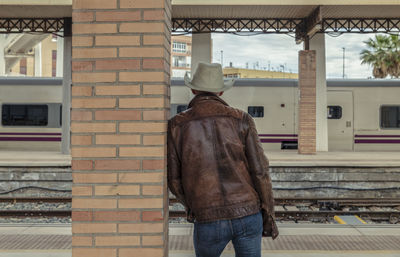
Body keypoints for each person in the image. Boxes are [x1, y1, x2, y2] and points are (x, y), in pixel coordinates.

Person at [168, 62, 278, 257]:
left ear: (193, 89)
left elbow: (175, 181)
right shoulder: (241, 119)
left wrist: (193, 206)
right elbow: (260, 171)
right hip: (248, 212)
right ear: (220, 92)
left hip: (207, 216)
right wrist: (268, 212)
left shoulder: (177, 125)